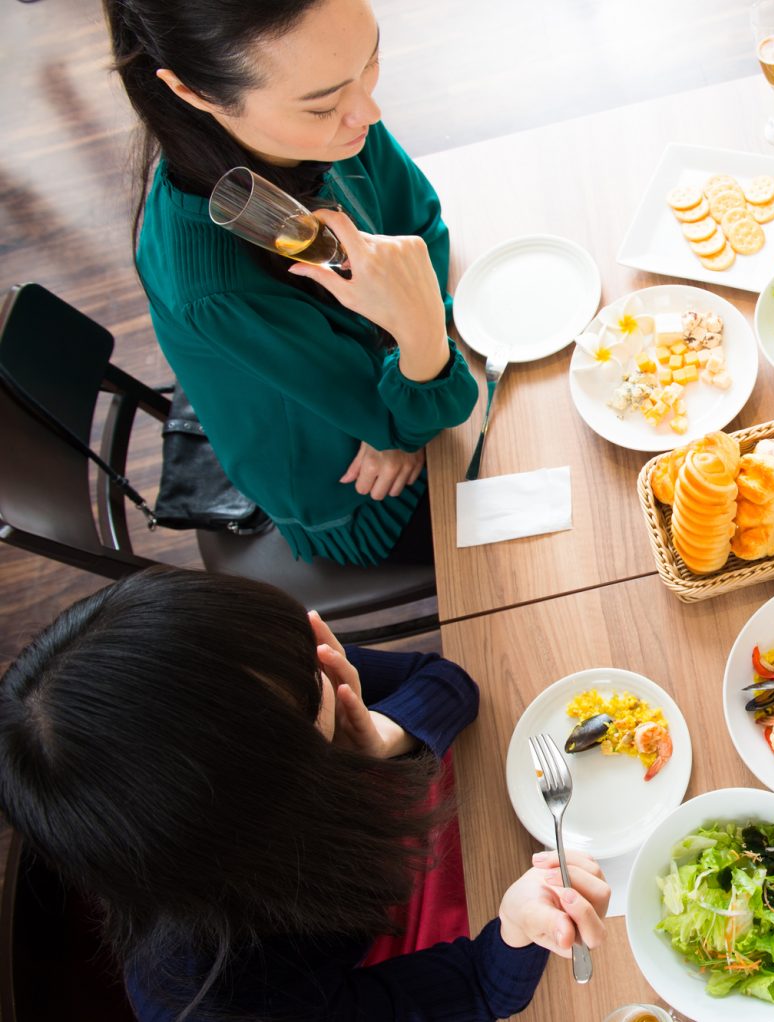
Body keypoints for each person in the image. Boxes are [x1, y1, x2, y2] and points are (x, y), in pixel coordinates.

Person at [0, 567, 608, 1020]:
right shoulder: (245, 998)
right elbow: (478, 988)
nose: (326, 667)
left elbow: (445, 681)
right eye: (310, 686)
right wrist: (518, 928)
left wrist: (382, 738)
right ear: (284, 803)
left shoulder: (246, 669)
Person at [105, 0, 480, 565]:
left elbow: (421, 228)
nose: (369, 112)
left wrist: (412, 356)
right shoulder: (215, 286)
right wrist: (417, 343)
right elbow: (425, 412)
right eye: (323, 106)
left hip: (396, 403)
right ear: (196, 92)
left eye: (370, 62)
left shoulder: (326, 114)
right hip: (360, 493)